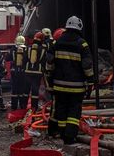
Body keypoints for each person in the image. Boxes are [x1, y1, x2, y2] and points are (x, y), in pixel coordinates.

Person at [45, 16, 95, 146]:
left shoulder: (57, 43)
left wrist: (50, 79)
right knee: (74, 110)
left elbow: (49, 63)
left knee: (61, 108)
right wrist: (90, 81)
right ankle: (70, 135)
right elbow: (87, 66)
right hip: (76, 86)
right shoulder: (82, 44)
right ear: (79, 28)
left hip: (59, 85)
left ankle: (62, 132)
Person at [24, 31, 46, 110]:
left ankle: (24, 106)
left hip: (28, 71)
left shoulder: (29, 47)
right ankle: (34, 107)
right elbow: (44, 61)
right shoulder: (43, 49)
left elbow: (24, 59)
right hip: (38, 72)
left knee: (26, 89)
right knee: (35, 90)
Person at [9, 35, 30, 110]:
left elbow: (8, 58)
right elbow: (28, 59)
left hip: (14, 72)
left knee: (14, 89)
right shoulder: (26, 49)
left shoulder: (13, 49)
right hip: (23, 72)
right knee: (22, 89)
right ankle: (22, 106)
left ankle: (14, 106)